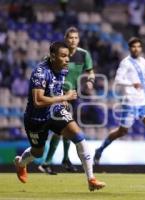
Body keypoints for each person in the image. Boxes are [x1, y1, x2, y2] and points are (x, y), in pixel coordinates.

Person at [14, 41, 105, 191]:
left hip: (55, 111)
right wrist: (64, 98)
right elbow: (37, 101)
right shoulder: (40, 72)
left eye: (68, 56)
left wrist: (60, 98)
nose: (67, 59)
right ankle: (20, 163)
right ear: (53, 56)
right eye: (63, 56)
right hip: (36, 118)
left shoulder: (63, 69)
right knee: (38, 152)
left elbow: (55, 88)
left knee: (79, 137)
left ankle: (91, 179)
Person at [94, 37, 145, 172]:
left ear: (141, 48)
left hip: (144, 102)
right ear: (129, 48)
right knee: (122, 131)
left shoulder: (143, 61)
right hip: (130, 102)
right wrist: (131, 84)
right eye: (133, 47)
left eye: (138, 46)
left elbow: (141, 81)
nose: (136, 49)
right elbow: (118, 80)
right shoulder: (125, 63)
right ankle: (100, 149)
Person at [38, 27, 95, 175]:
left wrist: (90, 81)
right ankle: (47, 162)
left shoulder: (84, 54)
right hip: (56, 94)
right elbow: (44, 69)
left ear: (79, 39)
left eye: (76, 38)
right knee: (60, 130)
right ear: (65, 39)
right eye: (70, 38)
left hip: (72, 95)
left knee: (68, 128)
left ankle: (64, 159)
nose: (73, 40)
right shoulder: (59, 54)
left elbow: (91, 72)